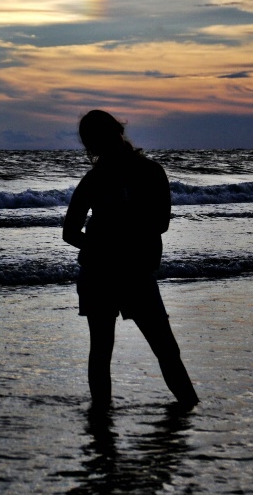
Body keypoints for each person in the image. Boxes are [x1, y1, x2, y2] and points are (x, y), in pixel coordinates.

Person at [63, 110, 199, 413]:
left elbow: (71, 232)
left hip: (118, 272)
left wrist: (101, 246)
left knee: (105, 350)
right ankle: (188, 407)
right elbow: (159, 223)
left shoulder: (110, 176)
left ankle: (102, 417)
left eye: (92, 140)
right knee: (162, 348)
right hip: (123, 271)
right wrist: (110, 247)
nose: (93, 146)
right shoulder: (144, 171)